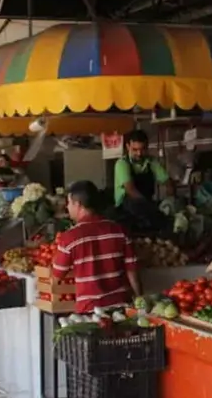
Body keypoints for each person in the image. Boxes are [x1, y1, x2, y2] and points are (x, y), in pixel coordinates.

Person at [52, 180, 141, 312]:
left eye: (69, 203)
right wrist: (140, 300)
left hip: (90, 310)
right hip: (121, 307)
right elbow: (132, 272)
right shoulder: (119, 231)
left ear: (78, 204)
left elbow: (56, 276)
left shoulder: (70, 238)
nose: (67, 207)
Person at [113, 129, 171, 210]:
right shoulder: (122, 164)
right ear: (128, 147)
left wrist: (171, 199)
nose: (139, 153)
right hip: (125, 210)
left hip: (146, 205)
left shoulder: (151, 161)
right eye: (135, 150)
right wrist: (150, 207)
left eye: (142, 149)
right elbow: (130, 190)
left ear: (147, 147)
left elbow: (168, 181)